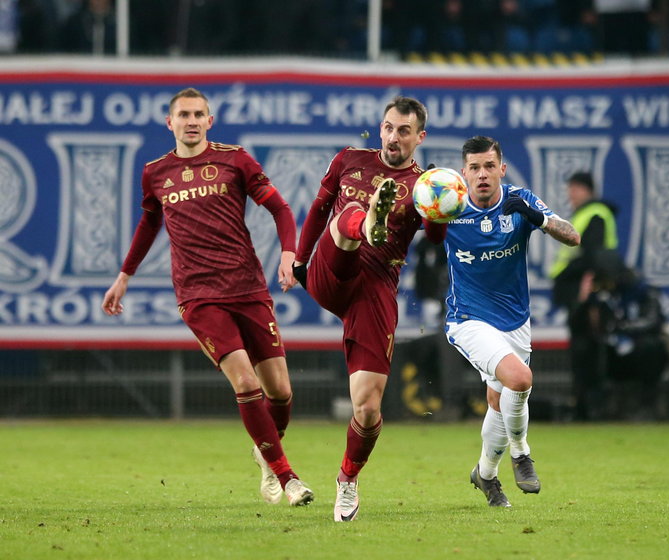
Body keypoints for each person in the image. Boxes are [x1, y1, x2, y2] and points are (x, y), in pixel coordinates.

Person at [101, 87, 313, 507]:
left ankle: (265, 450)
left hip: (248, 288)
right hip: (198, 295)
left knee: (282, 393)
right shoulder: (155, 172)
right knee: (246, 382)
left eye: (199, 114)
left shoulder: (235, 159)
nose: (192, 120)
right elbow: (148, 225)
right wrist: (124, 276)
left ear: (210, 122)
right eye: (184, 114)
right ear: (170, 122)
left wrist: (290, 253)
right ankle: (287, 478)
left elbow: (282, 209)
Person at [291, 96, 447, 522]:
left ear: (420, 137)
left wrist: (439, 209)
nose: (393, 137)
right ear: (380, 128)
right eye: (388, 127)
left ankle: (347, 479)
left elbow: (435, 239)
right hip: (332, 268)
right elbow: (321, 208)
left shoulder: (425, 185)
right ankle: (366, 224)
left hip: (374, 288)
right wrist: (297, 259)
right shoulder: (349, 160)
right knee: (349, 216)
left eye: (403, 131)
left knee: (367, 406)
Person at [442, 135, 580, 507]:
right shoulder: (447, 207)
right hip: (467, 319)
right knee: (519, 380)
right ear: (463, 173)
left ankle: (485, 476)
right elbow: (398, 234)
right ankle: (521, 454)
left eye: (489, 166)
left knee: (499, 400)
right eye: (474, 168)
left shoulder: (520, 201)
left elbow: (573, 236)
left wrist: (538, 218)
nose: (482, 174)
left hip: (515, 321)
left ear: (501, 168)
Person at [568, 249, 669, 421]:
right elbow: (576, 325)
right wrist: (584, 299)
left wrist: (622, 327)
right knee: (583, 347)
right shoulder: (598, 293)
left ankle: (647, 405)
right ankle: (590, 407)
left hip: (636, 349)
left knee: (653, 346)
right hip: (608, 354)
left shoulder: (639, 288)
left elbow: (653, 320)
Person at [549, 170, 618, 420]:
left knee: (587, 351)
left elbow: (593, 254)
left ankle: (590, 407)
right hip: (577, 292)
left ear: (585, 190)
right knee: (582, 349)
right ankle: (584, 404)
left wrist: (586, 287)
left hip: (586, 294)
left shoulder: (595, 214)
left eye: (574, 189)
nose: (570, 194)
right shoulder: (583, 214)